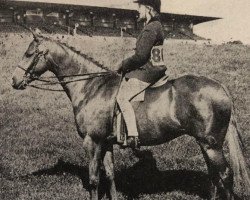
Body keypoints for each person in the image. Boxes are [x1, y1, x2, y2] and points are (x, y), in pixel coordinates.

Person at [116, 0, 167, 148]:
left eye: (139, 6)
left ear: (148, 8)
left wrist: (122, 64)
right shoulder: (156, 26)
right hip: (154, 69)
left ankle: (133, 135)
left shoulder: (151, 28)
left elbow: (140, 57)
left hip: (148, 71)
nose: (137, 10)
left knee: (122, 97)